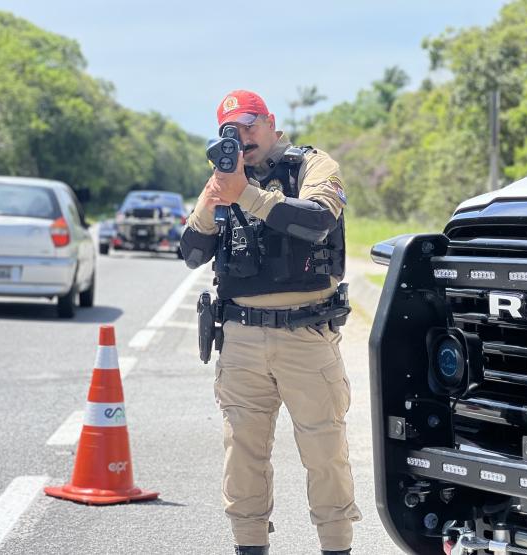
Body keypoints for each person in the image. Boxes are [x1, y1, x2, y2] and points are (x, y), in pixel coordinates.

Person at [180, 90, 360, 555]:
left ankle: (336, 546)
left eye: (249, 126)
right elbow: (192, 253)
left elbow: (318, 220)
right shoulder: (226, 178)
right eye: (230, 131)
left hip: (307, 335)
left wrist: (248, 196)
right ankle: (249, 546)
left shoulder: (311, 166)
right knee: (243, 455)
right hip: (241, 338)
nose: (242, 138)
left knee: (325, 453)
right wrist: (215, 197)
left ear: (270, 122)